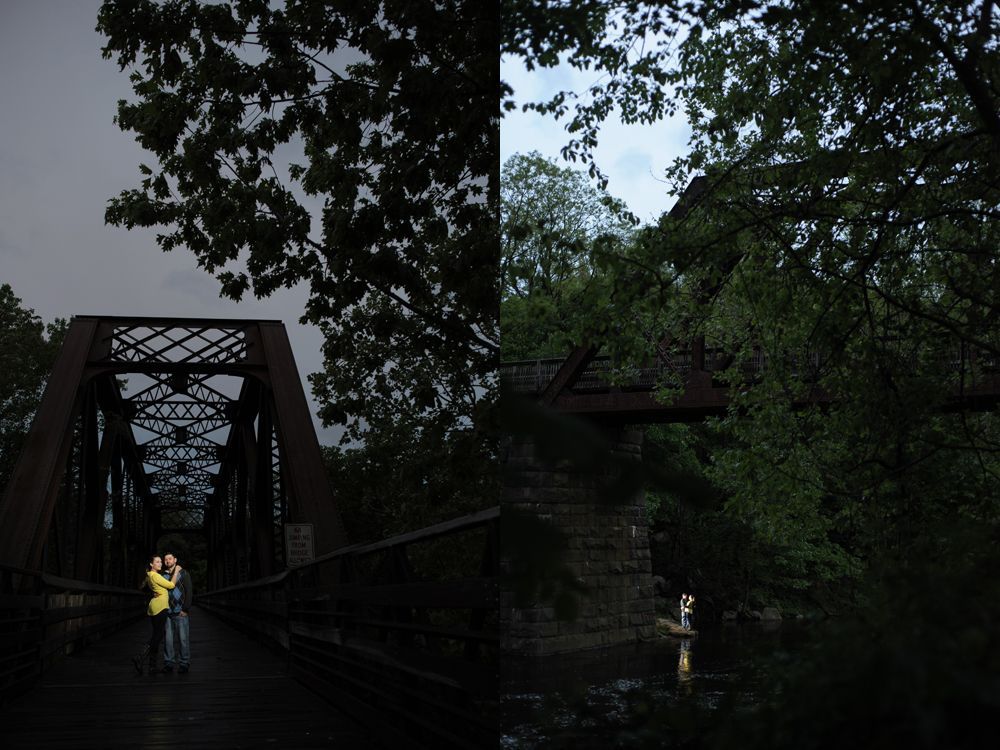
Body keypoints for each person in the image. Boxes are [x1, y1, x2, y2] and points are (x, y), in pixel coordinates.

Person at [132, 555, 182, 675]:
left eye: (161, 562)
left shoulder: (150, 575)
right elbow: (171, 585)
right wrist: (176, 571)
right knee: (158, 635)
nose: (160, 564)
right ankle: (140, 657)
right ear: (151, 564)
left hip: (156, 606)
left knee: (157, 635)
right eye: (157, 562)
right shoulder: (155, 575)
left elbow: (145, 588)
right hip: (160, 607)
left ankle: (152, 667)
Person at [160, 552, 193, 673]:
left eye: (170, 559)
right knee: (168, 640)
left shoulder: (183, 573)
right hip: (167, 612)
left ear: (175, 560)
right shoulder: (163, 575)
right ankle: (169, 663)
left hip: (180, 612)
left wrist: (186, 609)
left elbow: (189, 591)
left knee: (183, 639)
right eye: (165, 559)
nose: (167, 561)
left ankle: (184, 663)